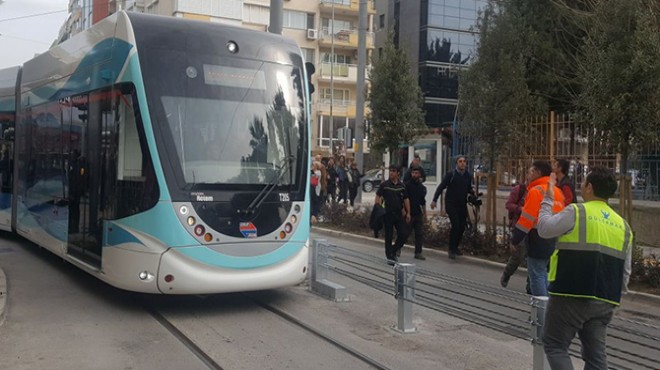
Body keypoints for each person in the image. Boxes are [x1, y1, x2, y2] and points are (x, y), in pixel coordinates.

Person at [537, 167, 633, 370]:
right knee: (596, 357)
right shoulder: (624, 226)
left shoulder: (577, 211)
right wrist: (614, 294)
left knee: (555, 344)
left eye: (583, 182)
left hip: (570, 293)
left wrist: (547, 198)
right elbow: (626, 272)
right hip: (606, 299)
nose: (581, 186)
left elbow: (544, 229)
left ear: (589, 187)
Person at [510, 160, 565, 296]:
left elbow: (526, 220)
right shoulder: (557, 191)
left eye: (530, 171)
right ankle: (545, 310)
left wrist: (515, 240)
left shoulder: (536, 191)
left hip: (538, 238)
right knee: (545, 275)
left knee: (537, 276)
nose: (528, 175)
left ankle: (541, 312)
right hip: (555, 239)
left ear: (537, 173)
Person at [430, 155, 475, 259]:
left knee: (462, 226)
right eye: (460, 161)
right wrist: (434, 200)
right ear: (456, 163)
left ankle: (456, 246)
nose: (463, 163)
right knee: (455, 225)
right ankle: (451, 249)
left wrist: (473, 194)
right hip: (451, 204)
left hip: (462, 205)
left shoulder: (468, 175)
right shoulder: (451, 174)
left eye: (464, 161)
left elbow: (468, 188)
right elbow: (441, 187)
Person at [375, 165, 411, 265]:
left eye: (394, 171)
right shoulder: (385, 185)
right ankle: (390, 256)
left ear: (398, 173)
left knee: (404, 233)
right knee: (389, 235)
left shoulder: (402, 186)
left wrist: (408, 213)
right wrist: (378, 208)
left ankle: (394, 250)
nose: (391, 173)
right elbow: (378, 196)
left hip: (399, 214)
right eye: (390, 171)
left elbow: (406, 199)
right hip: (388, 214)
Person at [500, 180, 527, 288]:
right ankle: (507, 273)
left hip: (536, 227)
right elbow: (509, 204)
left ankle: (531, 285)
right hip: (519, 226)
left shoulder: (541, 190)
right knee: (518, 255)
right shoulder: (519, 190)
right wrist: (520, 209)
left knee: (534, 258)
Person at [404, 166, 427, 260]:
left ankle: (418, 252)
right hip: (409, 213)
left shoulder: (422, 188)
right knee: (405, 233)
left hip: (417, 213)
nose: (415, 175)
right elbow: (405, 199)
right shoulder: (407, 185)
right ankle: (397, 249)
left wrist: (424, 214)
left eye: (417, 173)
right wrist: (406, 212)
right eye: (413, 173)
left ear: (420, 174)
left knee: (419, 233)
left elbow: (423, 202)